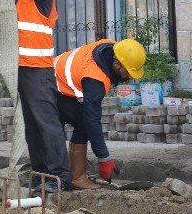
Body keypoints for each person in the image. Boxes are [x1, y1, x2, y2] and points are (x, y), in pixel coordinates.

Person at [0, 0, 73, 192]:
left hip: (37, 68)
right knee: (31, 126)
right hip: (17, 66)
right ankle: (40, 175)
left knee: (47, 122)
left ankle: (60, 177)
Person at [54, 39, 146, 189]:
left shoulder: (112, 48)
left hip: (55, 76)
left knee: (82, 121)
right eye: (129, 72)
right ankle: (75, 178)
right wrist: (104, 158)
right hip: (49, 86)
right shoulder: (95, 78)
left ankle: (72, 175)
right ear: (116, 64)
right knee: (82, 123)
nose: (131, 77)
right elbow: (92, 120)